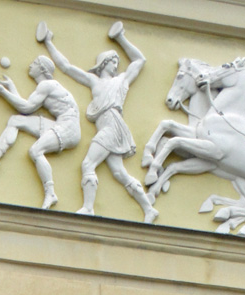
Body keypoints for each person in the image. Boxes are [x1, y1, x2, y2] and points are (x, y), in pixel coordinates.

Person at [39, 20, 158, 223]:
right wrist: (49, 43)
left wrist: (120, 38)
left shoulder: (121, 80)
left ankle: (88, 208)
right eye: (113, 61)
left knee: (87, 164)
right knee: (120, 173)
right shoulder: (94, 81)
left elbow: (140, 60)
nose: (117, 65)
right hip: (108, 126)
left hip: (112, 125)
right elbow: (66, 67)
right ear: (104, 63)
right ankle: (149, 209)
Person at [0, 56, 81, 210]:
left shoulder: (46, 85)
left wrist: (2, 91)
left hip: (69, 128)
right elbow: (24, 107)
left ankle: (50, 193)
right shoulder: (46, 86)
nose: (30, 65)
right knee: (16, 120)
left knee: (35, 151)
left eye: (35, 63)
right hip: (61, 123)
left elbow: (26, 108)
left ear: (42, 69)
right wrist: (10, 87)